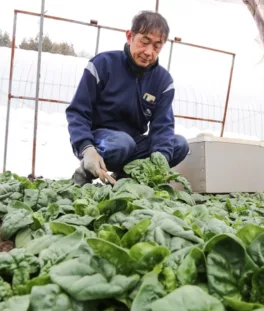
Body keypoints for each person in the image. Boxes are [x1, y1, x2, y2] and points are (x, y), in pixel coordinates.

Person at [66, 11, 189, 186]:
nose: (148, 52)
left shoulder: (163, 81)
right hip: (101, 140)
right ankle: (86, 170)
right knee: (122, 143)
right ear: (130, 36)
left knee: (178, 144)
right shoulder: (103, 64)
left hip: (133, 143)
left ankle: (123, 180)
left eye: (156, 46)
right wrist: (86, 148)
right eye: (144, 42)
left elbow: (162, 127)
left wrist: (159, 165)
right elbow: (78, 112)